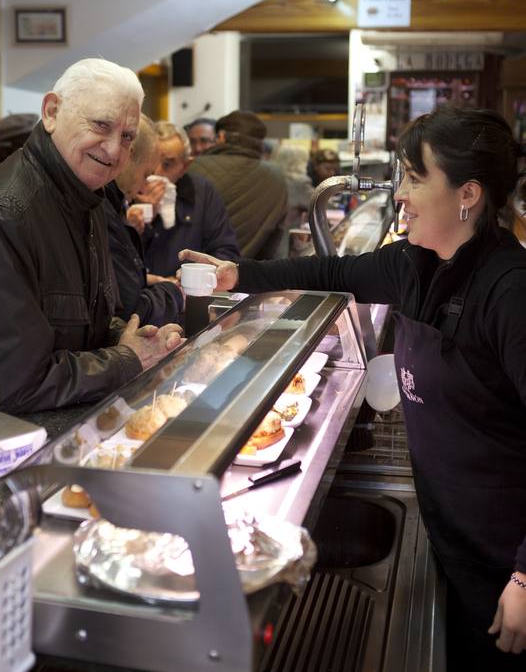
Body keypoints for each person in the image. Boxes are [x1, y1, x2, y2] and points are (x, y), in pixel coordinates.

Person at [179, 106, 526, 669]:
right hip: (451, 533)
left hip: (502, 554)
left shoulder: (509, 290)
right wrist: (238, 275)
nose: (401, 197)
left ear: (469, 194)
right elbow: (330, 275)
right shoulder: (415, 263)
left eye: (415, 178)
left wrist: (525, 574)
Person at [0, 58, 183, 414]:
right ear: (51, 112)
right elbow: (15, 384)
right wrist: (125, 359)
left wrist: (126, 336)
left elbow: (78, 322)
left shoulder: (87, 194)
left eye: (127, 137)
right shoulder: (7, 213)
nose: (114, 151)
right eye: (100, 125)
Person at [104, 113, 184, 326]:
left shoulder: (113, 203)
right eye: (147, 174)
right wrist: (174, 292)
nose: (143, 186)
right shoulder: (102, 207)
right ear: (127, 156)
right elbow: (129, 308)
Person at [141, 122, 240, 277]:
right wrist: (143, 221)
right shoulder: (127, 190)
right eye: (151, 161)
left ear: (185, 166)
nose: (157, 171)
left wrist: (188, 278)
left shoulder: (201, 192)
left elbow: (225, 252)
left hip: (186, 293)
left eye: (167, 164)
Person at [190, 110, 288, 258]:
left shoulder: (193, 167)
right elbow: (274, 241)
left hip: (195, 272)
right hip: (246, 273)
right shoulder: (277, 177)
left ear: (221, 137)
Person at [271, 144, 314, 257]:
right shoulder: (299, 182)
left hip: (267, 236)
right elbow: (318, 203)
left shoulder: (271, 178)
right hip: (285, 239)